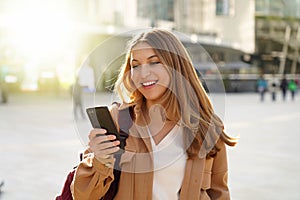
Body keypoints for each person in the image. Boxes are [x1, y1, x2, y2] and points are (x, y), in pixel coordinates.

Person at [60, 29, 238, 200]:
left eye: (154, 62)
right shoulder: (119, 119)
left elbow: (219, 194)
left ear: (176, 65)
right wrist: (99, 160)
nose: (143, 73)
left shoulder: (209, 126)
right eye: (135, 65)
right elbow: (84, 196)